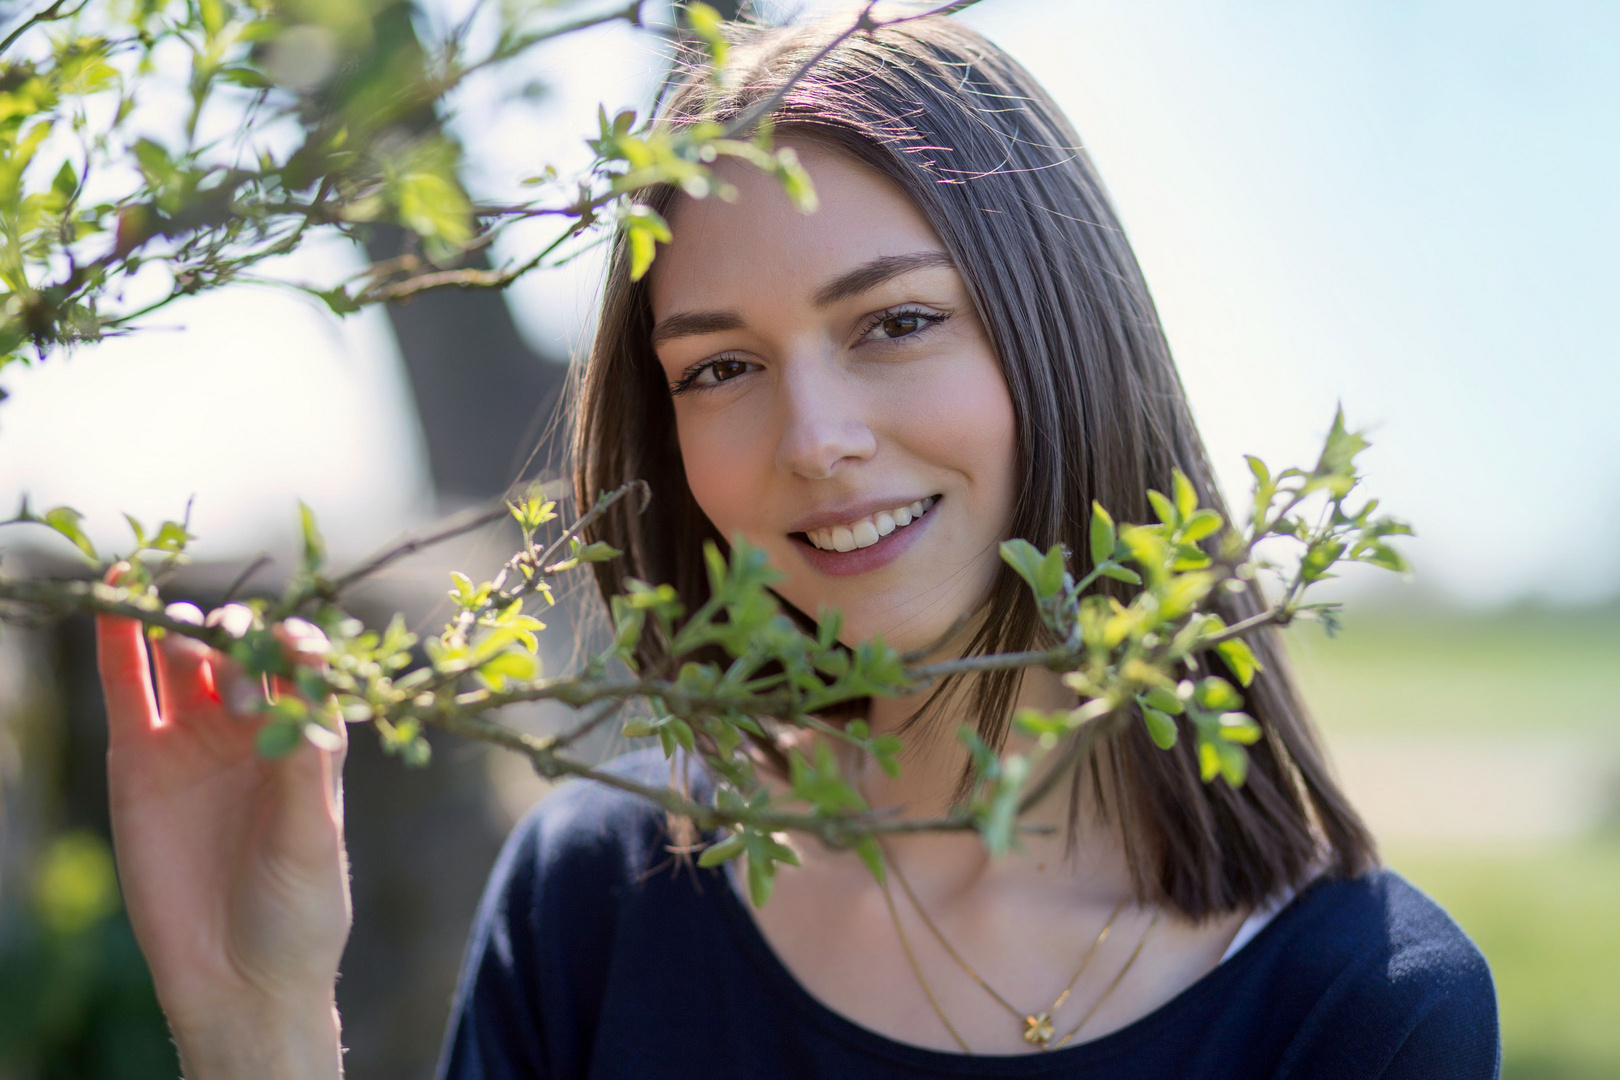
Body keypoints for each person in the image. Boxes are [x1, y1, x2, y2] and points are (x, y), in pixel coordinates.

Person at [93, 14, 1500, 1080]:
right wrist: (259, 1026)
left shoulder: (1364, 1006)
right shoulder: (600, 897)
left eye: (895, 323)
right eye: (720, 370)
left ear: (1067, 340)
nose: (811, 437)